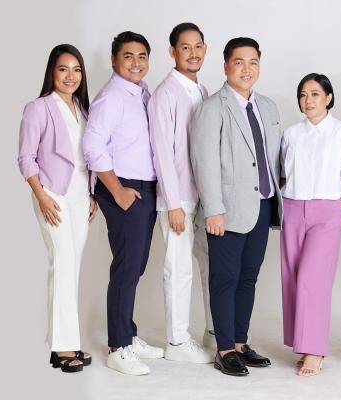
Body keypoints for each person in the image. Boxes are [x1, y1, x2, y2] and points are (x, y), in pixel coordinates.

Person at [190, 37, 283, 377]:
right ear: (226, 66)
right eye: (239, 62)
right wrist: (213, 208)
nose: (247, 69)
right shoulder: (212, 107)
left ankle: (241, 343)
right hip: (226, 211)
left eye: (253, 62)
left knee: (248, 278)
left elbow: (274, 158)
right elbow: (204, 162)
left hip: (263, 205)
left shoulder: (268, 107)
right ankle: (225, 348)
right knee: (224, 279)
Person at [83, 31, 163, 376]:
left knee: (136, 265)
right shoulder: (111, 97)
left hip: (144, 188)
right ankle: (118, 347)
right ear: (114, 60)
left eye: (142, 56)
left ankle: (127, 333)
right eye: (128, 56)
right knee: (127, 268)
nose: (136, 62)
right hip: (124, 188)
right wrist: (117, 190)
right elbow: (92, 147)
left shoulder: (142, 92)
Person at [18, 44, 97, 373]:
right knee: (63, 263)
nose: (70, 76)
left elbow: (88, 158)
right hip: (53, 194)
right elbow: (26, 158)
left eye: (76, 70)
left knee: (72, 268)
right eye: (63, 69)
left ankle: (64, 342)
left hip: (80, 197)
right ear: (52, 71)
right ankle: (64, 347)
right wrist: (41, 196)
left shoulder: (83, 109)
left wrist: (92, 195)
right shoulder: (38, 108)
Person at [280, 73, 341, 376]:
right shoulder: (291, 134)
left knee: (313, 279)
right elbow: (282, 173)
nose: (308, 100)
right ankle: (301, 344)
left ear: (328, 98)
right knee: (292, 277)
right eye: (303, 94)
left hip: (327, 209)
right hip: (292, 207)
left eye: (314, 94)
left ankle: (315, 350)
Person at [148, 22, 214, 363]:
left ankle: (211, 331)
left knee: (207, 265)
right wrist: (173, 203)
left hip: (203, 197)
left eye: (198, 46)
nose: (193, 53)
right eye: (185, 47)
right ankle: (176, 342)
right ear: (172, 51)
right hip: (179, 198)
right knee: (179, 268)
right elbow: (161, 151)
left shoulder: (202, 91)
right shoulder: (165, 94)